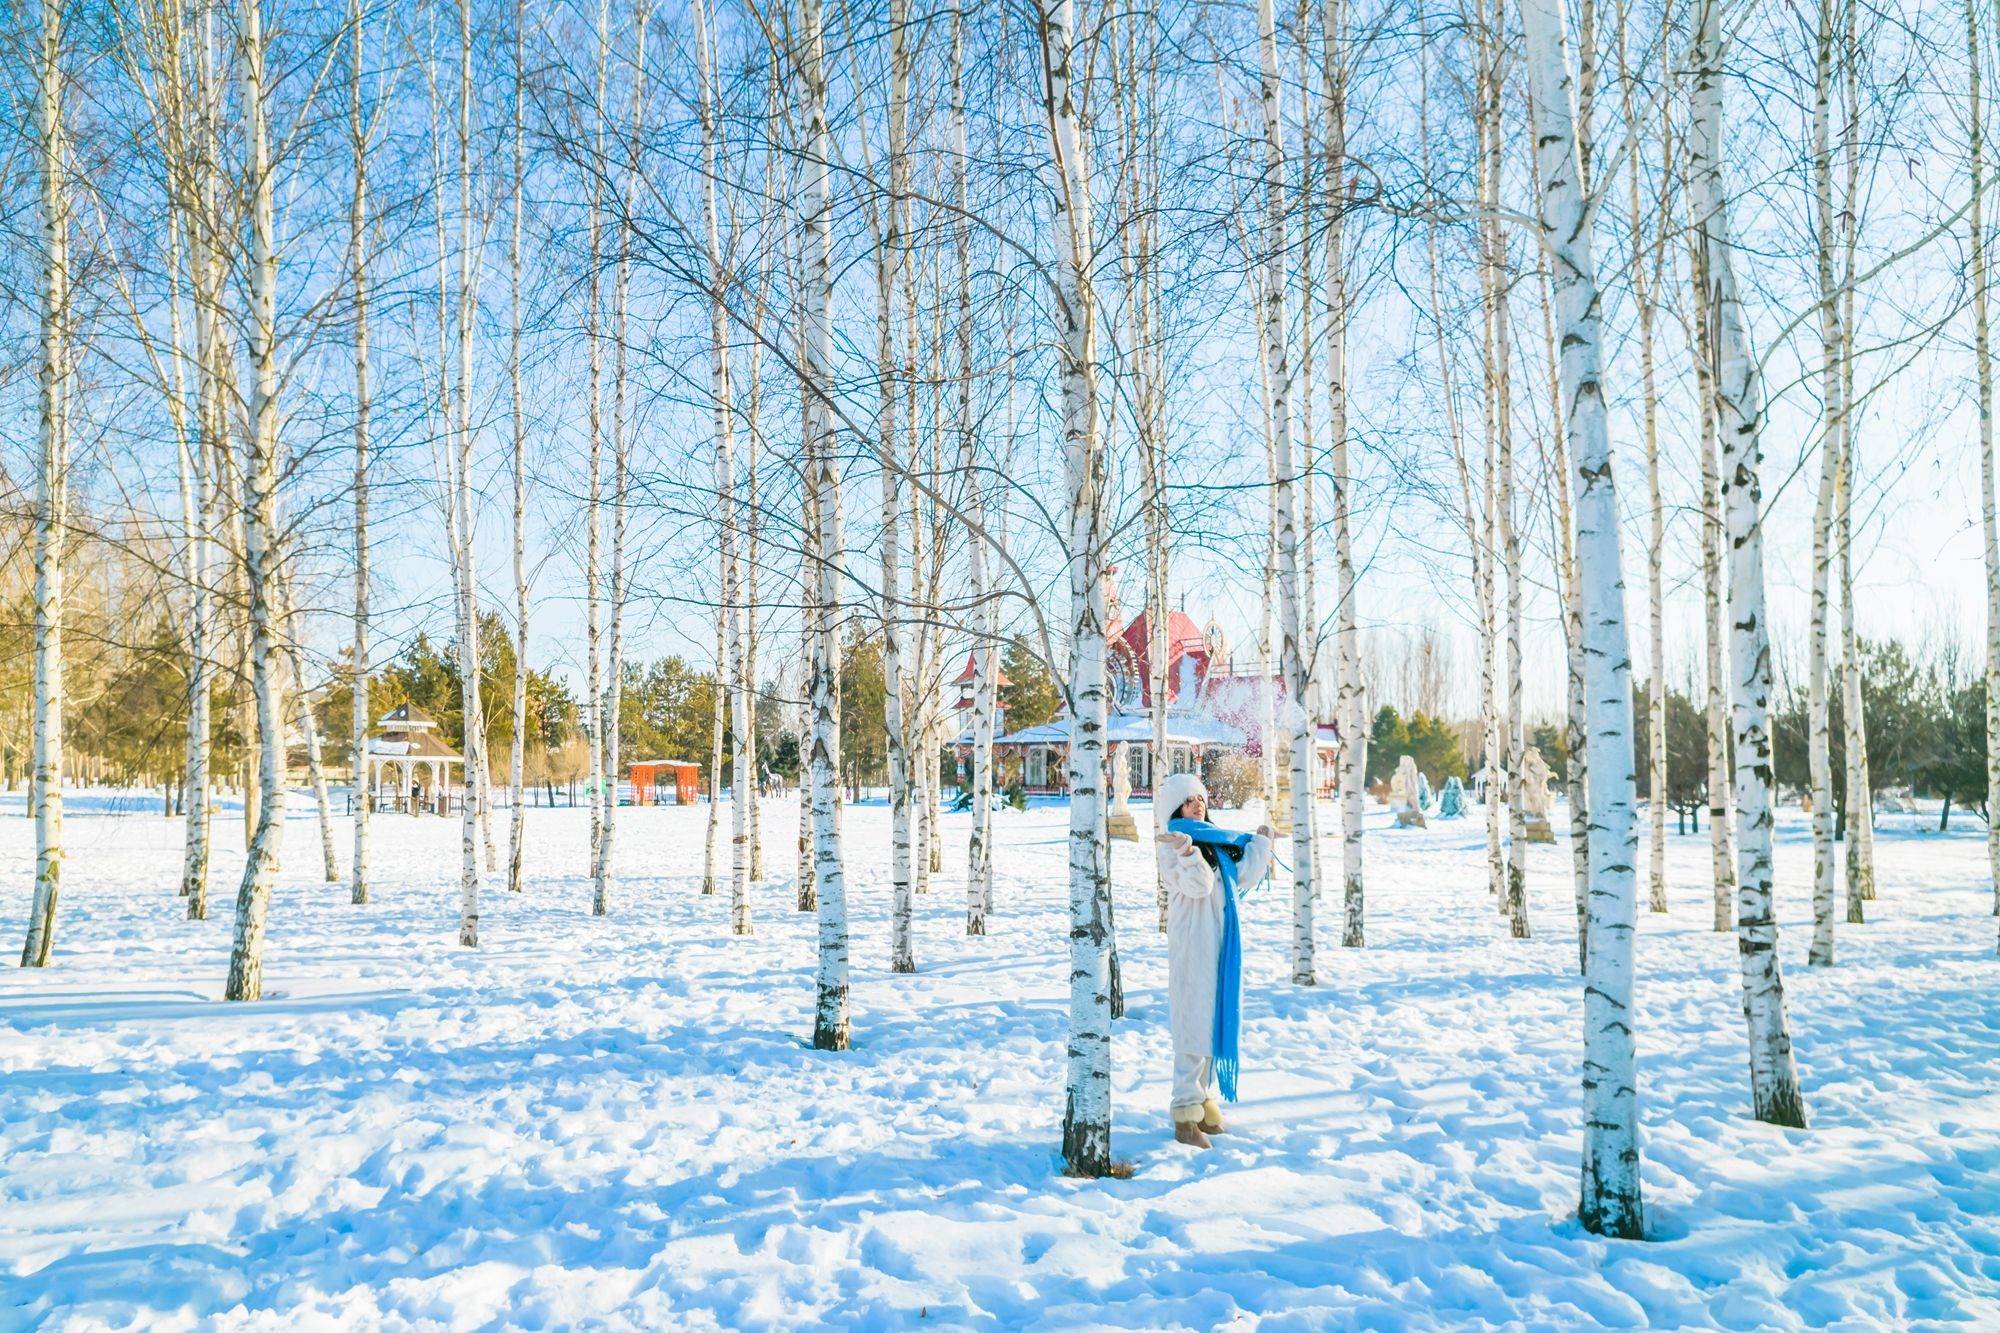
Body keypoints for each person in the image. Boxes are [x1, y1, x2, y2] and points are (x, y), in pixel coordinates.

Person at [1154, 771, 1273, 1149]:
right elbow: (1198, 885)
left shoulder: (1217, 846)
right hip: (1192, 946)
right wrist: (1187, 851)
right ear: (1176, 808)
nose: (1197, 806)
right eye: (1189, 801)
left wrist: (1263, 842)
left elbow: (1243, 876)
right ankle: (1185, 1112)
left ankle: (1202, 1101)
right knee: (1193, 1024)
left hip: (1219, 947)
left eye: (1201, 799)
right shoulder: (1172, 846)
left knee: (1212, 1021)